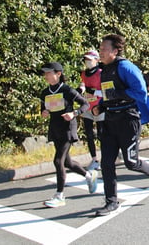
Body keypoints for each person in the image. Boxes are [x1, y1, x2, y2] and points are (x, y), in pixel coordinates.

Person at [93, 34, 149, 217]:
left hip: (128, 120)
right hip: (110, 120)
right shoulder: (104, 70)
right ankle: (111, 201)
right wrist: (101, 106)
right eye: (100, 49)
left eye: (103, 49)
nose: (100, 52)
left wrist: (117, 94)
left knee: (131, 162)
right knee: (106, 163)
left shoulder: (125, 67)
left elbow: (140, 93)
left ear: (115, 51)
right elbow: (108, 95)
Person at [40, 62, 98, 208]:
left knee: (58, 161)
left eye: (49, 73)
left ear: (58, 74)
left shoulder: (67, 90)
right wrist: (44, 112)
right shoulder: (45, 92)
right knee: (67, 162)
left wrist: (74, 113)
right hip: (55, 128)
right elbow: (43, 109)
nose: (46, 75)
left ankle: (60, 196)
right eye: (45, 73)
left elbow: (85, 104)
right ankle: (89, 176)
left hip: (67, 128)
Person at [78, 50, 104, 171]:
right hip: (87, 106)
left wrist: (94, 91)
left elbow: (107, 91)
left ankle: (106, 157)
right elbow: (83, 83)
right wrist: (81, 89)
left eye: (90, 59)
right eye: (86, 60)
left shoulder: (101, 73)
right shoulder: (84, 73)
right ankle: (94, 159)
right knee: (89, 134)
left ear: (97, 60)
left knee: (101, 134)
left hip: (99, 107)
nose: (87, 62)